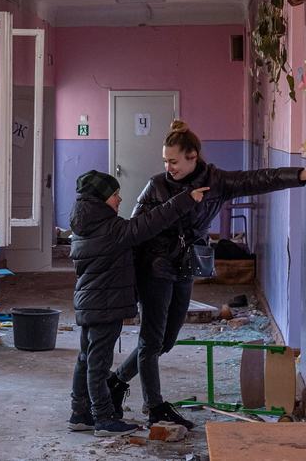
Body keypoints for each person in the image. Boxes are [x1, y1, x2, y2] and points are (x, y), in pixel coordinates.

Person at [106, 120, 306, 430]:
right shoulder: (156, 185)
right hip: (154, 266)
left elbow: (256, 179)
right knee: (151, 341)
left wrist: (298, 175)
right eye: (165, 161)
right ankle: (155, 407)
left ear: (193, 156)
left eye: (174, 161)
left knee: (165, 340)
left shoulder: (216, 181)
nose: (168, 167)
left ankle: (116, 381)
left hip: (186, 265)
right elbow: (136, 230)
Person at [67, 169, 210, 437]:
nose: (119, 200)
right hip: (105, 305)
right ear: (99, 200)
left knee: (86, 358)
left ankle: (80, 413)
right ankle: (104, 417)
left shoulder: (82, 227)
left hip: (89, 303)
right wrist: (185, 199)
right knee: (98, 363)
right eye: (114, 195)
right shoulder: (112, 230)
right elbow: (151, 222)